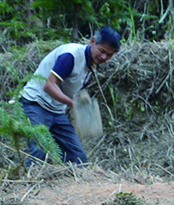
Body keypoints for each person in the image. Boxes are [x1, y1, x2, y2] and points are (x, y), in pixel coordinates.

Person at [19, 26, 121, 165]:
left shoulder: (91, 66)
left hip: (56, 110)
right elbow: (49, 85)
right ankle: (29, 182)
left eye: (109, 55)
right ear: (92, 41)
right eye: (102, 51)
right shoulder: (71, 56)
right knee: (39, 152)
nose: (104, 57)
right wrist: (74, 104)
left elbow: (70, 89)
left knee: (78, 158)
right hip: (36, 103)